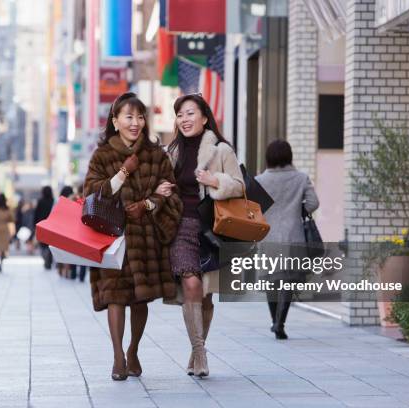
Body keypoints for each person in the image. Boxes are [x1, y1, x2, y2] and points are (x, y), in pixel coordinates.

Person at [84, 92, 182, 381]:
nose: (135, 122)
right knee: (115, 297)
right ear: (115, 121)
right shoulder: (102, 155)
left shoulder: (155, 155)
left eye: (140, 117)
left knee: (140, 300)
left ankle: (134, 350)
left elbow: (170, 193)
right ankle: (117, 357)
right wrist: (123, 173)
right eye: (129, 116)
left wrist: (149, 204)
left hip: (144, 238)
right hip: (111, 237)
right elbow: (90, 192)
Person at [156, 94, 245, 377]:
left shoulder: (221, 151)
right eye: (180, 114)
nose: (184, 119)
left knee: (205, 296)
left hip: (211, 229)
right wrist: (160, 190)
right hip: (180, 227)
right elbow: (159, 184)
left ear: (205, 117)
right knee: (191, 283)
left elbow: (240, 185)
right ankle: (201, 354)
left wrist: (215, 180)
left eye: (190, 113)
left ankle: (196, 352)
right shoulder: (172, 152)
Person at [255, 140, 320, 339]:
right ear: (289, 156)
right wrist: (297, 211)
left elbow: (253, 209)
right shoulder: (301, 178)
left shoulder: (259, 180)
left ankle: (274, 320)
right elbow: (313, 203)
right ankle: (279, 322)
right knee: (288, 282)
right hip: (294, 236)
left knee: (271, 282)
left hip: (268, 237)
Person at [33, 186, 54, 269]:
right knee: (50, 244)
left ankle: (46, 258)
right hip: (51, 226)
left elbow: (36, 214)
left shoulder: (40, 201)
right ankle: (49, 258)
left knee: (42, 244)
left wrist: (34, 225)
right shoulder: (53, 201)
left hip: (42, 225)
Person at [56, 186, 74, 278]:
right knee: (68, 251)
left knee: (60, 250)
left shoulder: (58, 201)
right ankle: (67, 270)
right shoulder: (72, 201)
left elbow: (54, 214)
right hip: (69, 230)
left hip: (59, 229)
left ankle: (60, 269)